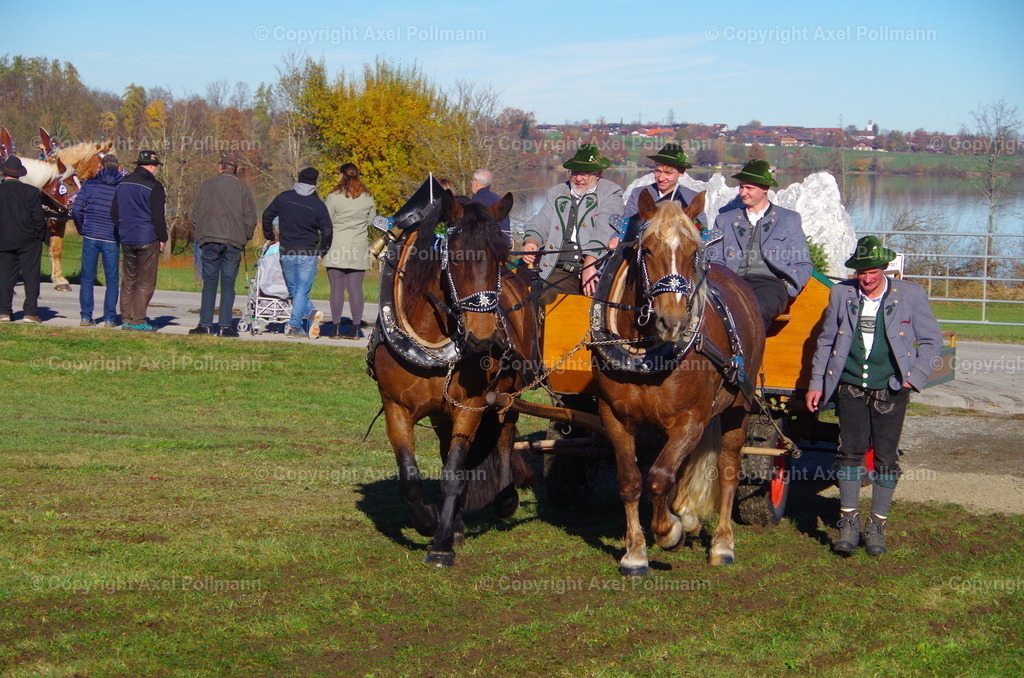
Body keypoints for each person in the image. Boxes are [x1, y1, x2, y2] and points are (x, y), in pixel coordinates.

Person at [806, 236, 942, 556]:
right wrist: (816, 383)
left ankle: (876, 526)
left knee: (885, 458)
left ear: (884, 268)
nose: (866, 278)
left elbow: (932, 342)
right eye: (860, 272)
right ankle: (849, 524)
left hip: (892, 389)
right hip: (851, 385)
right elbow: (826, 341)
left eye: (872, 271)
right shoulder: (841, 294)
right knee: (849, 453)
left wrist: (914, 378)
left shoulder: (910, 295)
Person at [705, 159, 812, 328]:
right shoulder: (724, 220)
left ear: (765, 189)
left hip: (771, 285)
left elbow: (803, 262)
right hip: (732, 283)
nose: (742, 193)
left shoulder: (789, 219)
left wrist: (788, 287)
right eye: (741, 187)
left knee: (756, 311)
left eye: (749, 188)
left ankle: (746, 354)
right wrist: (720, 283)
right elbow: (714, 259)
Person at [522, 144, 623, 305]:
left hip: (597, 269)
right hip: (559, 269)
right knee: (534, 295)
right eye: (575, 172)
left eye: (585, 174)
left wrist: (590, 262)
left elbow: (605, 227)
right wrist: (532, 241)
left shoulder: (611, 193)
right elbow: (541, 220)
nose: (578, 178)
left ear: (598, 173)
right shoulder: (557, 192)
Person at [188, 154, 257, 338]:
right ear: (235, 169)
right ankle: (225, 326)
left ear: (220, 167)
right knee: (228, 284)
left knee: (209, 283)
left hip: (210, 239)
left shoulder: (207, 186)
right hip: (233, 242)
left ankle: (205, 324)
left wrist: (201, 234)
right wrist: (244, 237)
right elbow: (251, 219)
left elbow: (194, 216)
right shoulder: (243, 189)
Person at [262, 167, 332, 339]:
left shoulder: (284, 198)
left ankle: (311, 314)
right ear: (315, 183)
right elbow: (328, 230)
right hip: (308, 252)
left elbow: (266, 215)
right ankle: (295, 326)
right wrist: (323, 250)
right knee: (300, 290)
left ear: (298, 180)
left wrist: (270, 235)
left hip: (287, 251)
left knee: (295, 290)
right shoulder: (318, 205)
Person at [111, 150, 167, 332]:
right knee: (146, 281)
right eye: (156, 166)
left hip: (127, 237)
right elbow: (158, 216)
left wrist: (122, 229)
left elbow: (114, 212)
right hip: (147, 236)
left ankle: (126, 317)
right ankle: (139, 320)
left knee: (129, 279)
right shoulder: (154, 186)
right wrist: (163, 237)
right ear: (151, 166)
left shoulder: (122, 183)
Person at [323, 163, 376, 339]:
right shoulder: (368, 197)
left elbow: (327, 222)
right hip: (358, 246)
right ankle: (355, 329)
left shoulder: (333, 197)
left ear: (341, 175)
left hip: (337, 245)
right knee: (355, 289)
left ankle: (336, 329)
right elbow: (372, 221)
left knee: (336, 289)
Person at [72, 153, 123, 327]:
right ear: (118, 167)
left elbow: (76, 210)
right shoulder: (121, 187)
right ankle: (109, 318)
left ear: (100, 166)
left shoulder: (90, 184)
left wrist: (82, 229)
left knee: (87, 277)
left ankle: (86, 316)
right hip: (111, 236)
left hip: (91, 234)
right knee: (112, 279)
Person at [0, 156, 47, 324]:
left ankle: (4, 311)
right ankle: (30, 312)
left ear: (4, 173)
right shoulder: (31, 192)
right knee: (31, 276)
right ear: (19, 175)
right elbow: (38, 218)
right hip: (28, 239)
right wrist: (40, 235)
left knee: (5, 276)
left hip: (4, 239)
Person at [623, 142, 707, 227]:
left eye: (668, 173)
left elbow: (702, 232)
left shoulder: (692, 198)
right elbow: (627, 227)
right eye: (658, 171)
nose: (661, 178)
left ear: (681, 172)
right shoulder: (638, 194)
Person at [470, 168, 511, 242]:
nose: (472, 183)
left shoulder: (476, 201)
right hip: (504, 245)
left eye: (472, 181)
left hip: (488, 246)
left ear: (476, 182)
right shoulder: (498, 199)